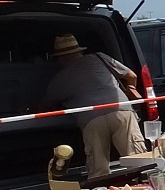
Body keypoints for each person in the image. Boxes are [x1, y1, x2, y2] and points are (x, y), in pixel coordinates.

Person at [41, 33, 148, 179]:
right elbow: (132, 76)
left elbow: (46, 105)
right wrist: (130, 89)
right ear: (80, 51)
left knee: (98, 170)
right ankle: (144, 186)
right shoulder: (100, 57)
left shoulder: (59, 79)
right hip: (122, 111)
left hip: (91, 119)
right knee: (138, 160)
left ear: (61, 58)